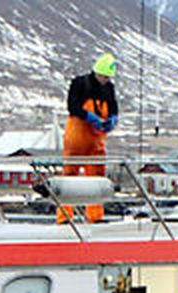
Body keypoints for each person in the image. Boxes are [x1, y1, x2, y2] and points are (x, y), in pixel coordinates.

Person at [59, 52, 119, 224]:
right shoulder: (79, 84)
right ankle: (64, 216)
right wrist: (89, 117)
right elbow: (72, 106)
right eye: (104, 76)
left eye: (108, 77)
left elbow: (114, 108)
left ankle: (95, 215)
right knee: (69, 176)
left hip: (97, 141)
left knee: (97, 176)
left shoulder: (109, 88)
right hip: (76, 138)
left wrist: (112, 119)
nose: (106, 80)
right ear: (97, 72)